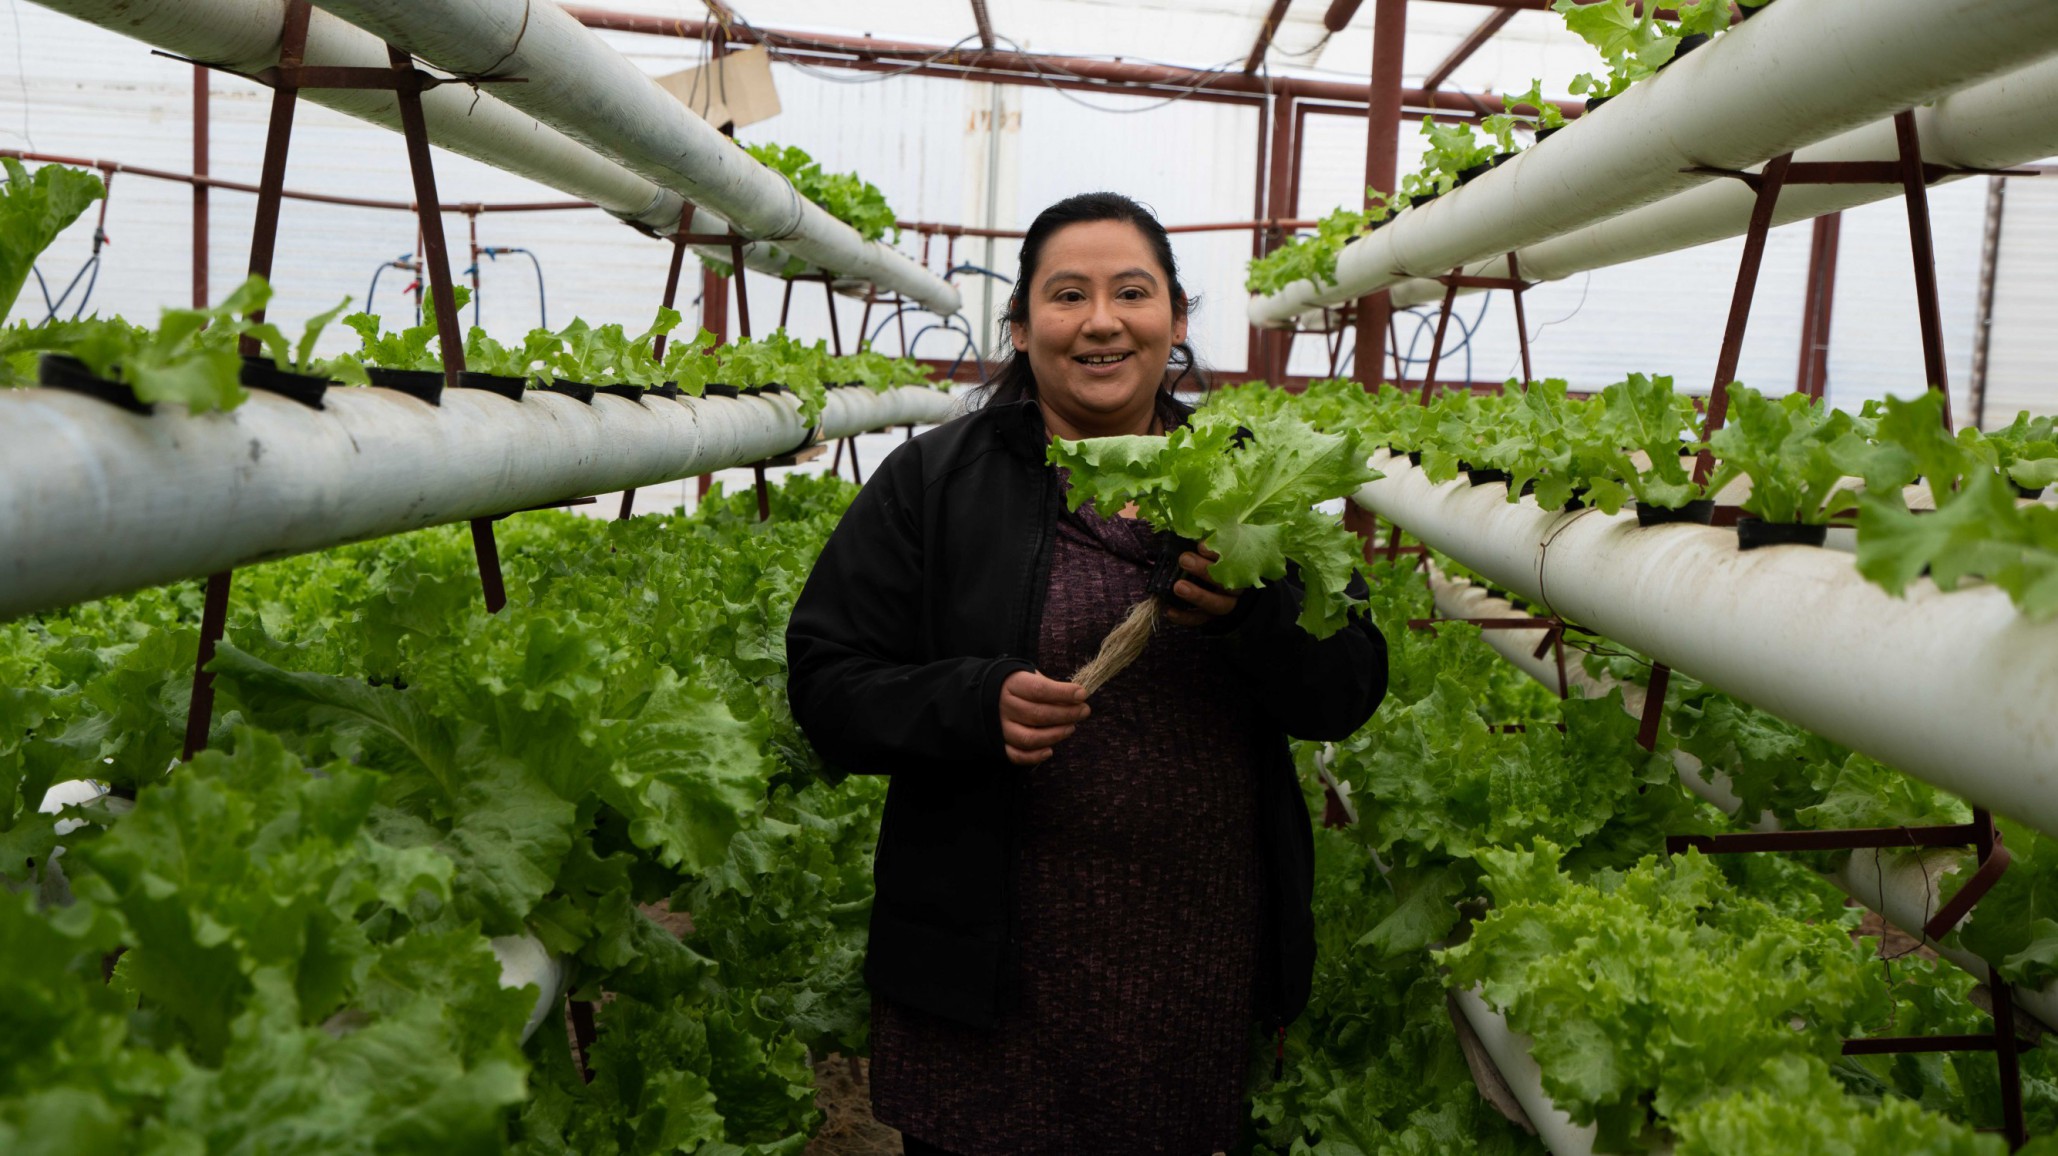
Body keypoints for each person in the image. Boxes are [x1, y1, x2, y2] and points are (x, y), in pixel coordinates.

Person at [785, 192, 1387, 1156]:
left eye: (1132, 293)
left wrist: (1255, 614)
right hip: (982, 973)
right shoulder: (934, 482)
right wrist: (969, 703)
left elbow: (1345, 690)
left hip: (1193, 963)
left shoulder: (1263, 475)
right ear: (1021, 328)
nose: (1101, 321)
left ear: (1177, 320)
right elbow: (826, 684)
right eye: (1067, 296)